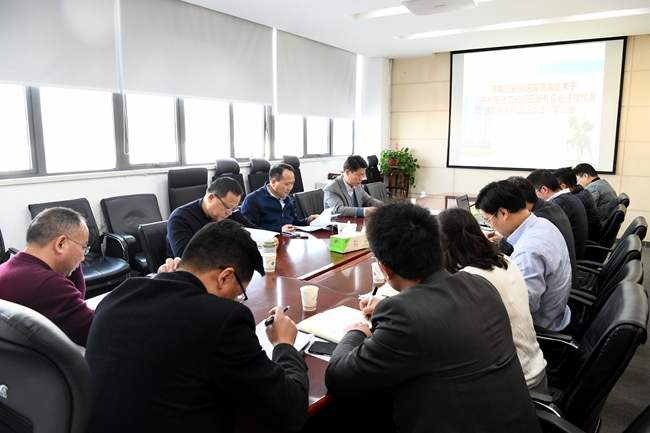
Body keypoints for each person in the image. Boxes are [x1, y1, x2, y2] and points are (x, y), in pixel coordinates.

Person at [325, 200, 541, 433]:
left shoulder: (405, 316)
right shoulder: (480, 284)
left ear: (385, 269)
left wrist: (355, 333)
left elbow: (340, 379)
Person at [85, 219, 309, 433]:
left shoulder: (117, 296)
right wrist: (284, 344)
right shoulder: (222, 320)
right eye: (239, 292)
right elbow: (291, 412)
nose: (237, 300)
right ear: (224, 277)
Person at [437, 207, 547, 392]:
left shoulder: (469, 281)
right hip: (534, 371)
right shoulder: (503, 260)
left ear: (441, 246)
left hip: (516, 388)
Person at [476, 180, 572, 331]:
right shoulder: (543, 223)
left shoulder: (529, 252)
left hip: (539, 328)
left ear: (503, 213)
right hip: (557, 313)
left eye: (488, 220)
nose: (491, 226)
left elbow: (522, 308)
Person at [0, 207, 93, 347]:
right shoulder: (48, 285)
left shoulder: (6, 268)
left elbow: (77, 304)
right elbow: (96, 332)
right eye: (83, 248)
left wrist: (70, 264)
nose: (83, 257)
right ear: (60, 244)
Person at [495, 176, 580, 291]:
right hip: (566, 283)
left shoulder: (537, 219)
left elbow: (502, 250)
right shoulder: (550, 208)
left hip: (558, 292)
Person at [166, 176, 259, 258]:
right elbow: (185, 257)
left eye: (234, 209)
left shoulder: (230, 212)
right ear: (211, 198)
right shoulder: (180, 218)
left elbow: (255, 231)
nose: (230, 213)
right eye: (228, 207)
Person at [527, 169, 588, 260]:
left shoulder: (559, 204)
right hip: (573, 255)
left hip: (570, 259)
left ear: (544, 189)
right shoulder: (566, 198)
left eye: (534, 192)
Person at [241, 163, 318, 233]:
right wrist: (279, 230)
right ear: (273, 182)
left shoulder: (287, 199)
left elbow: (294, 223)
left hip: (289, 238)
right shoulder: (253, 200)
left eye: (292, 183)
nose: (290, 188)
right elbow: (251, 231)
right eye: (287, 184)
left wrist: (307, 221)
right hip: (269, 241)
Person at [553, 166, 601, 242]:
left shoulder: (574, 200)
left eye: (554, 187)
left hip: (586, 240)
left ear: (563, 186)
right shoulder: (583, 192)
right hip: (590, 236)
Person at [574, 163, 618, 228]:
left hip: (595, 228)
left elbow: (582, 211)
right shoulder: (603, 183)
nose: (577, 184)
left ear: (585, 176)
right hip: (603, 224)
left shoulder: (593, 188)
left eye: (577, 180)